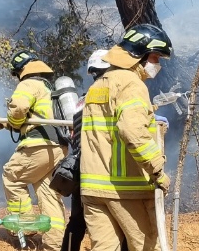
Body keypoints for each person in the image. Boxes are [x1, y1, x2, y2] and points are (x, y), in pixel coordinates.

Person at [80, 24, 173, 251]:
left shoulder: (99, 85)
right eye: (155, 57)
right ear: (138, 54)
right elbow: (132, 131)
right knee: (148, 246)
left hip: (92, 188)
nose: (156, 64)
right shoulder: (131, 84)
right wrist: (158, 170)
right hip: (126, 188)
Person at [0, 50, 67, 251]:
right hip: (59, 146)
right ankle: (55, 244)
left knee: (12, 176)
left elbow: (18, 110)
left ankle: (27, 226)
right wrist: (5, 124)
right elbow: (34, 118)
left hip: (38, 145)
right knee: (48, 193)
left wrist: (12, 121)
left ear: (20, 70)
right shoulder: (48, 86)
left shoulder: (28, 84)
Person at [61, 49, 130, 251]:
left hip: (81, 168)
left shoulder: (82, 99)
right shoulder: (113, 94)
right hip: (107, 169)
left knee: (76, 222)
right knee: (120, 223)